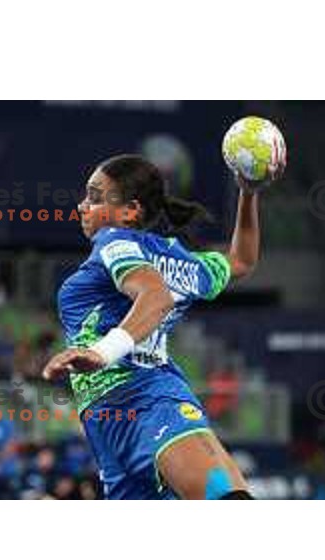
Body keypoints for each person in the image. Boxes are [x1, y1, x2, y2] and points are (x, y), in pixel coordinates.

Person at [43, 153, 283, 499]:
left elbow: (156, 297)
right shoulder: (179, 260)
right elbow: (242, 261)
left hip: (149, 403)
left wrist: (101, 352)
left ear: (129, 211)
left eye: (95, 197)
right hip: (108, 425)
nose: (82, 206)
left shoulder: (115, 242)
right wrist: (249, 191)